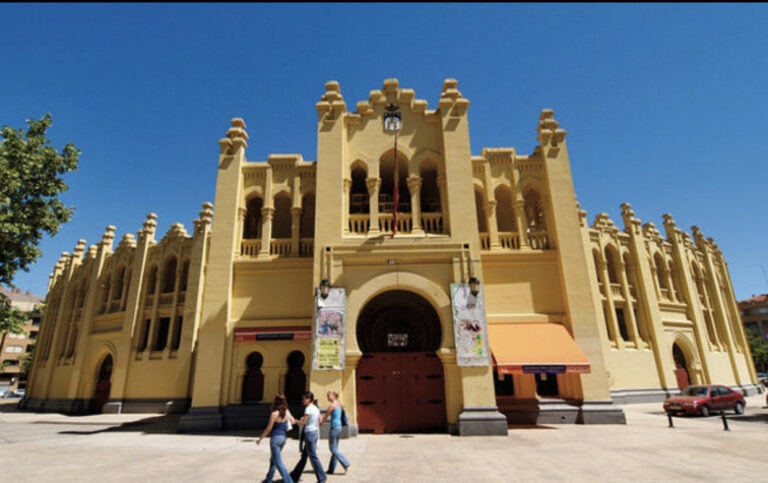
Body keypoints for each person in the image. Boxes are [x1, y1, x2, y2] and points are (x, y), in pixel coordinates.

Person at [257, 394, 295, 483]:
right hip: (283, 438)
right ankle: (269, 479)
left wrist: (260, 438)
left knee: (278, 461)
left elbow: (268, 429)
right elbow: (293, 421)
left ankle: (289, 481)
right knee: (273, 459)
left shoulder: (274, 414)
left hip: (275, 438)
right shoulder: (286, 411)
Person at [293, 391, 327, 483]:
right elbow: (320, 421)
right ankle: (294, 476)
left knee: (313, 456)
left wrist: (294, 420)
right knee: (304, 456)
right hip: (314, 432)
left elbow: (303, 423)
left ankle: (322, 477)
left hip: (309, 433)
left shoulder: (308, 409)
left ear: (309, 399)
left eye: (304, 399)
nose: (302, 400)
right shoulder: (315, 408)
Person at [319, 391, 350, 475]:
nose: (327, 397)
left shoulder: (332, 406)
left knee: (332, 448)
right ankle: (331, 469)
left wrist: (319, 423)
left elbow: (325, 417)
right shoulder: (340, 404)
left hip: (334, 427)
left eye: (328, 396)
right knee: (335, 448)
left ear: (333, 396)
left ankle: (345, 463)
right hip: (339, 427)